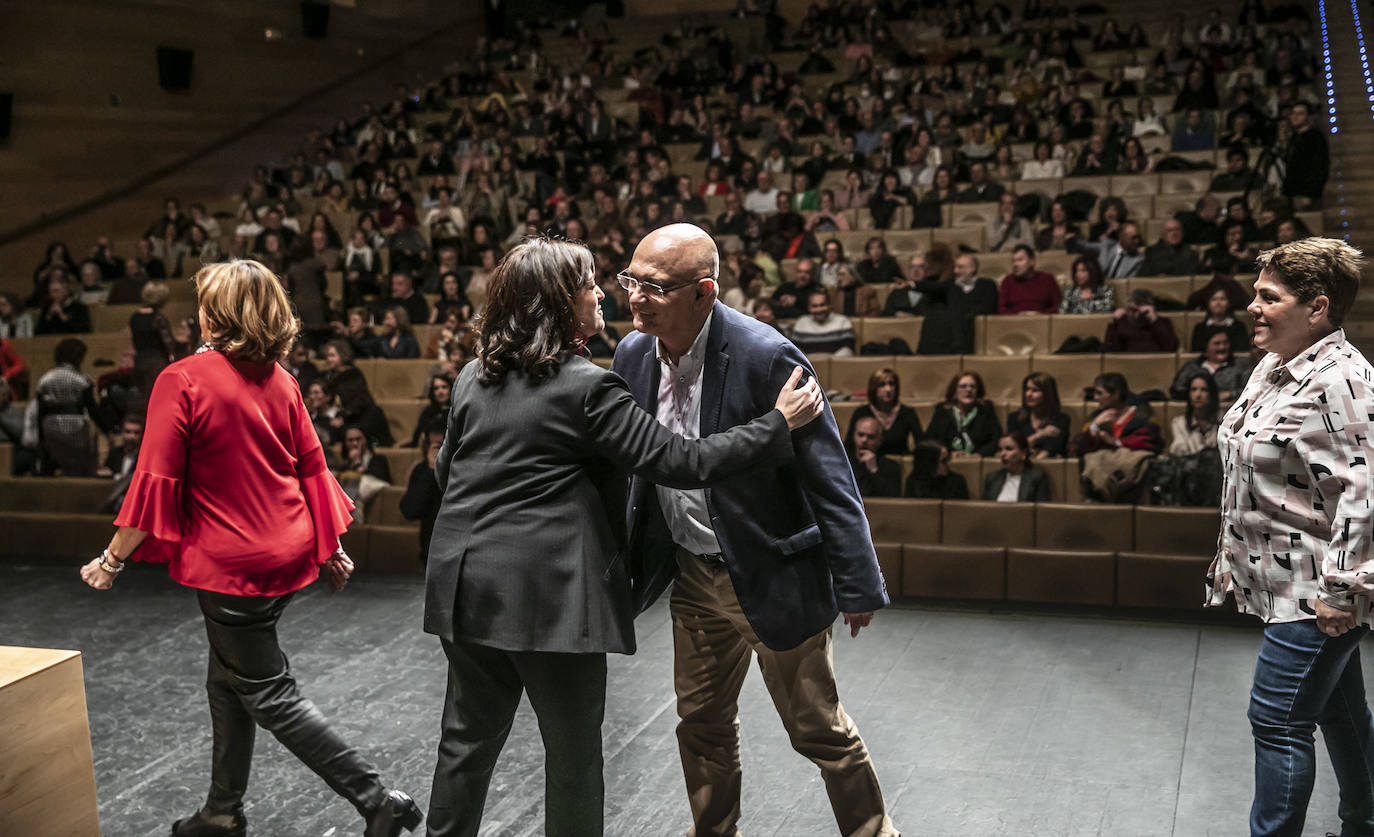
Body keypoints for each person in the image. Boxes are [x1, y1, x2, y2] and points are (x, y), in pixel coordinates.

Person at [424, 235, 822, 837]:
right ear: (561, 302)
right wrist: (775, 427)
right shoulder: (590, 387)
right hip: (552, 596)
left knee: (466, 743)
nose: (604, 293)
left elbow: (445, 472)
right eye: (589, 284)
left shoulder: (473, 377)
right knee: (574, 755)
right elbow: (679, 461)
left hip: (466, 584)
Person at [78, 260, 422, 837]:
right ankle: (221, 811)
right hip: (284, 552)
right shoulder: (282, 379)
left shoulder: (182, 379)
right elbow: (312, 468)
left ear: (221, 312)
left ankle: (375, 798)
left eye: (207, 301)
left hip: (232, 563)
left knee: (269, 694)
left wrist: (111, 560)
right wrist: (329, 547)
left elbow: (155, 479)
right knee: (228, 680)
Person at [610, 224, 897, 837]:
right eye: (631, 280)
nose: (635, 297)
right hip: (691, 574)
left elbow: (829, 477)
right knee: (702, 725)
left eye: (655, 287)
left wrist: (857, 582)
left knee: (818, 731)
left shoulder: (767, 355)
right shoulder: (631, 353)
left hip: (769, 572)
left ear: (704, 292)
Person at [1204, 238, 1372, 837]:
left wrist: (1344, 589)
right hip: (1279, 577)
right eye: (1256, 293)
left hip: (1316, 588)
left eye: (1268, 297)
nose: (1252, 306)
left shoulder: (1341, 381)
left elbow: (1365, 495)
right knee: (1340, 710)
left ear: (1317, 308)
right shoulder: (1274, 364)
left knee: (1276, 721)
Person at [34, 337, 106, 476]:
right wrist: (107, 430)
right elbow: (92, 409)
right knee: (78, 468)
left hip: (50, 428)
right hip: (75, 428)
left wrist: (41, 438)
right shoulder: (82, 380)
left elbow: (41, 412)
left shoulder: (44, 379)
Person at [844, 367, 923, 456]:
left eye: (891, 384)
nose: (888, 389)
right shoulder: (861, 412)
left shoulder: (908, 413)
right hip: (868, 464)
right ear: (873, 388)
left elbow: (922, 445)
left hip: (899, 465)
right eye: (882, 385)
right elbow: (849, 446)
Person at [399, 418, 445, 565]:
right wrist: (431, 470)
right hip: (429, 552)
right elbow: (410, 511)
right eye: (435, 447)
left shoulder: (462, 470)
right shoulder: (421, 470)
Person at [926, 371, 1003, 457]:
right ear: (954, 392)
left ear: (977, 391)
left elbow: (997, 439)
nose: (969, 390)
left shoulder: (985, 409)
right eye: (963, 386)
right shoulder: (942, 410)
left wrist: (978, 455)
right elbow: (930, 440)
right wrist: (948, 454)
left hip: (977, 461)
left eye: (973, 387)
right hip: (948, 460)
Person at [1171, 329, 1254, 403]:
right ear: (1206, 347)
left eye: (1225, 343)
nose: (1222, 347)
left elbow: (1250, 391)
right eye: (1217, 344)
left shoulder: (1241, 366)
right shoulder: (1193, 366)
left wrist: (1229, 394)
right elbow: (1176, 390)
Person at [1005, 372, 1071, 459]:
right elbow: (1011, 447)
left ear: (1048, 394)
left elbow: (1052, 448)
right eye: (1027, 389)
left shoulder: (1061, 419)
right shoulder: (1014, 418)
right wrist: (1040, 435)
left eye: (1035, 390)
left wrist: (1034, 456)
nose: (1028, 394)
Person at [129, 281, 176, 397]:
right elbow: (169, 344)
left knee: (145, 399)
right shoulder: (158, 318)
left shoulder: (135, 317)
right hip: (157, 363)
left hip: (139, 361)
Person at [982, 432, 1052, 501]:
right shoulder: (992, 478)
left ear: (1023, 453)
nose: (1002, 454)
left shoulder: (1037, 477)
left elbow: (1042, 510)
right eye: (1000, 450)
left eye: (1008, 449)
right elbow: (984, 509)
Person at [1104, 290, 1180, 352]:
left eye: (1139, 311)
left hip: (1156, 365)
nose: (1136, 314)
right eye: (1133, 310)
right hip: (1127, 364)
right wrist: (1113, 323)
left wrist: (1154, 320)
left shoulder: (1162, 322)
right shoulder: (1122, 323)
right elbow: (1110, 350)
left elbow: (1171, 347)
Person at [997, 245, 1061, 314]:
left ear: (1032, 262)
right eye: (1013, 261)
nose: (1015, 264)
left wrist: (1042, 315)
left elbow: (1059, 305)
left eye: (1020, 260)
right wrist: (1016, 316)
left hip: (1043, 321)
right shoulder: (1007, 281)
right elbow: (1001, 308)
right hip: (1013, 322)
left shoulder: (1047, 279)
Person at [790, 290, 856, 355]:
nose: (819, 310)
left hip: (837, 364)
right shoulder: (801, 322)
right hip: (808, 364)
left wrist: (830, 363)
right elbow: (795, 350)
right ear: (809, 308)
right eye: (815, 306)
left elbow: (848, 349)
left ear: (830, 305)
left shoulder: (842, 321)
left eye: (822, 305)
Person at [850, 415, 902, 498]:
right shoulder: (843, 462)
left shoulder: (892, 466)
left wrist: (874, 471)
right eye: (860, 435)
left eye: (871, 437)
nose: (864, 440)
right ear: (854, 435)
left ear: (879, 440)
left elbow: (892, 500)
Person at [1168, 373, 1220, 456]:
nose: (1198, 395)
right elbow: (1179, 450)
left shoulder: (1222, 421)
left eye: (1204, 390)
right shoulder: (1179, 423)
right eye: (1193, 389)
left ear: (1211, 394)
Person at [905, 440, 970, 498]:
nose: (948, 463)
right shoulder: (913, 481)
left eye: (948, 459)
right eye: (943, 461)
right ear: (929, 463)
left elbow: (961, 510)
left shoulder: (957, 482)